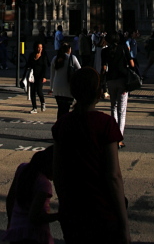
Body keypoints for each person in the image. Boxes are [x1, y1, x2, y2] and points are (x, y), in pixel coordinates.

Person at [52, 67, 130, 243]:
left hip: (73, 210)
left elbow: (57, 172)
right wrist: (124, 224)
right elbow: (113, 176)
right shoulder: (106, 124)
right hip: (101, 210)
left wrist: (65, 204)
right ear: (98, 93)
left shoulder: (62, 124)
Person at [3, 146, 58, 243]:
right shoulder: (44, 184)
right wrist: (59, 216)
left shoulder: (23, 169)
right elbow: (34, 217)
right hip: (34, 235)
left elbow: (11, 198)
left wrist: (10, 221)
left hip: (16, 231)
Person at [101, 33, 134, 147]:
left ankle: (113, 135)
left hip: (111, 81)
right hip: (123, 80)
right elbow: (131, 63)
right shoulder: (123, 48)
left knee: (113, 107)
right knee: (122, 110)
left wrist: (102, 83)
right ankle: (119, 139)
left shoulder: (104, 51)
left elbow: (104, 68)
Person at [50, 42, 80, 119]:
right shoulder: (72, 58)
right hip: (67, 87)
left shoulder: (55, 59)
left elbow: (52, 75)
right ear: (69, 49)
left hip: (57, 88)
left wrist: (51, 88)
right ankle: (64, 125)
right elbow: (80, 70)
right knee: (66, 109)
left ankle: (59, 124)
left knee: (60, 108)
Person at [23, 41, 50, 114]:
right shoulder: (32, 55)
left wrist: (44, 76)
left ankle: (43, 102)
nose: (40, 49)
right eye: (38, 47)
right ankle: (34, 107)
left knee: (39, 91)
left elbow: (45, 67)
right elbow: (28, 66)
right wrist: (24, 77)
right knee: (32, 92)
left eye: (41, 47)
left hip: (40, 76)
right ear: (35, 47)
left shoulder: (43, 56)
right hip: (32, 76)